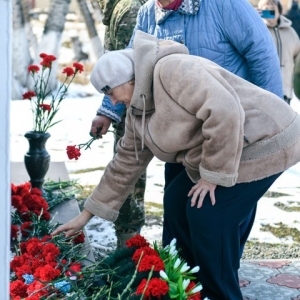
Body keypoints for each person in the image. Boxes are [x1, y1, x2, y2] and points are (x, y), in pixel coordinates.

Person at [53, 31, 300, 300]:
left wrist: (211, 177)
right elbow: (124, 165)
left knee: (208, 215)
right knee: (175, 200)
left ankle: (221, 293)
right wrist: (86, 215)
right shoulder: (139, 109)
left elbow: (225, 112)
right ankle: (190, 286)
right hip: (229, 146)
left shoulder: (173, 70)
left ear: (129, 79)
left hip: (267, 139)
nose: (112, 102)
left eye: (111, 93)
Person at [91, 0, 284, 256]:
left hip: (231, 130)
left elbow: (261, 52)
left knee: (221, 213)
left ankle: (222, 273)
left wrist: (266, 121)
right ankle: (180, 278)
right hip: (179, 133)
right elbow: (128, 64)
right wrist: (109, 110)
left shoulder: (225, 4)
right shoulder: (149, 12)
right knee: (175, 204)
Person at [97, 0, 147, 248]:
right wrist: (106, 111)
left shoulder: (129, 9)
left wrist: (113, 110)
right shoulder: (116, 7)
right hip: (125, 105)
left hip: (136, 110)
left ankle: (129, 245)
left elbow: (126, 73)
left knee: (130, 174)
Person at [258, 0, 300, 104]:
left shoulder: (290, 32)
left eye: (273, 7)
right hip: (262, 89)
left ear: (279, 10)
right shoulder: (257, 30)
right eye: (266, 8)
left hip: (285, 90)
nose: (269, 9)